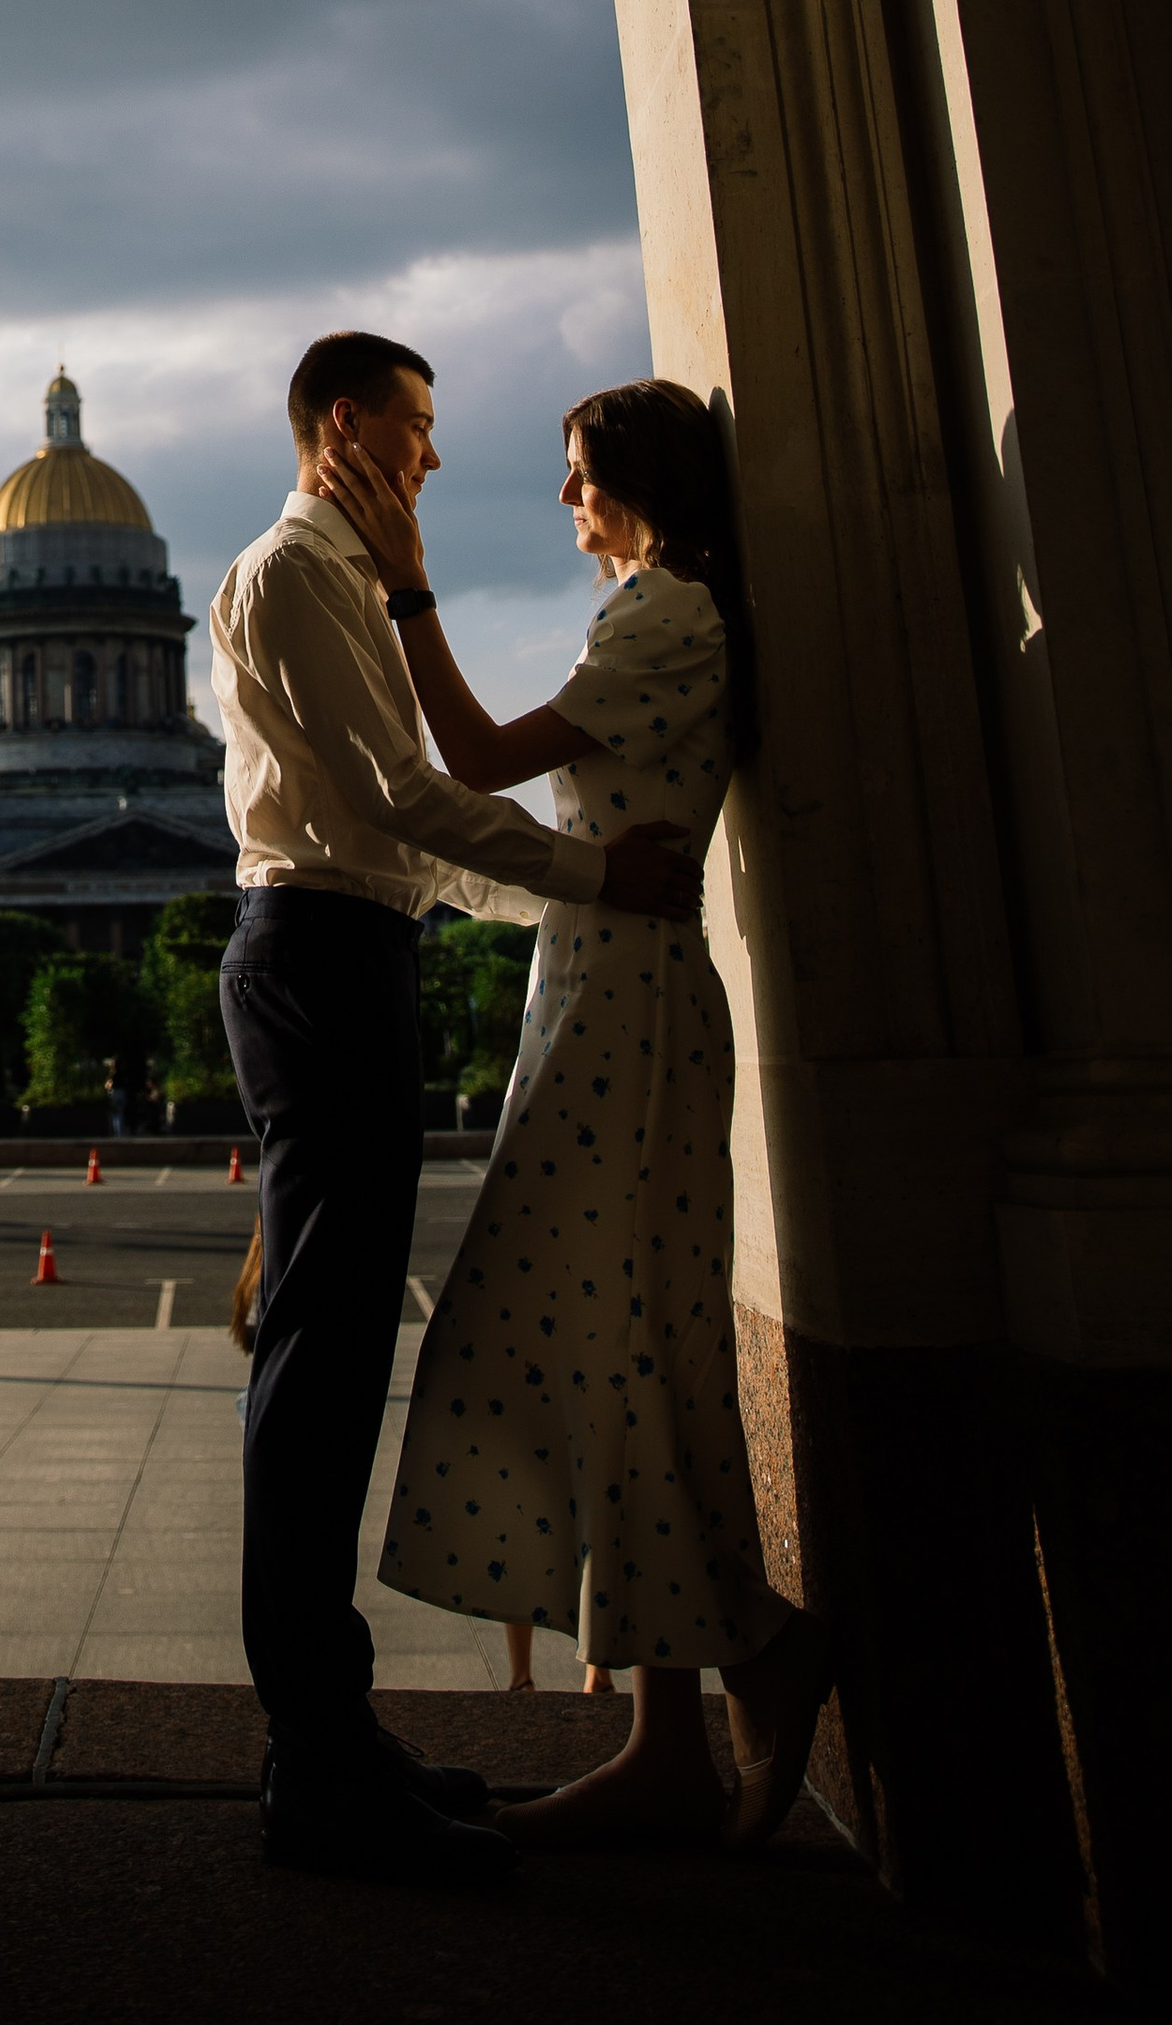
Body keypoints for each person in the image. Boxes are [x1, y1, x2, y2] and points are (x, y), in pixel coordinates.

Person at [211, 331, 705, 1894]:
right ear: (347, 424)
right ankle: (317, 1759)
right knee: (320, 1353)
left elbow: (413, 846)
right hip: (319, 956)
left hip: (353, 945)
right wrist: (592, 875)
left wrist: (549, 911)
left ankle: (333, 1739)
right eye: (417, 426)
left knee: (340, 1347)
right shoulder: (300, 572)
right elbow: (399, 802)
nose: (432, 455)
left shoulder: (342, 580)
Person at [321, 372, 835, 1851]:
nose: (561, 499)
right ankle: (677, 1727)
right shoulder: (649, 613)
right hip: (604, 988)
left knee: (582, 1332)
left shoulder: (665, 613)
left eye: (578, 472)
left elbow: (477, 764)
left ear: (645, 482)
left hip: (627, 1008)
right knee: (611, 1345)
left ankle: (743, 1663)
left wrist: (412, 591)